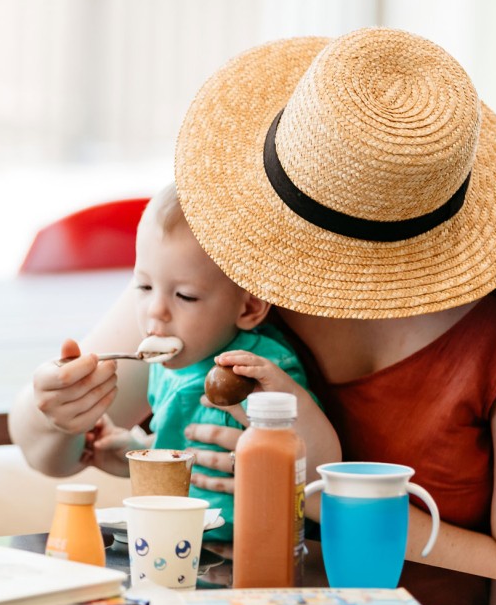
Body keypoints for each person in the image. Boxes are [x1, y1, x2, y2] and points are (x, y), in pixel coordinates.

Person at [0, 27, 496, 605]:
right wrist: (57, 413)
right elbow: (51, 448)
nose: (292, 271)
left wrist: (310, 491)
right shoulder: (235, 252)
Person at [74, 181, 340, 540]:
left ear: (248, 307)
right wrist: (131, 453)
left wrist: (294, 402)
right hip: (174, 538)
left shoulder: (260, 368)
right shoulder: (165, 370)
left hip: (257, 546)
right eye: (144, 287)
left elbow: (321, 467)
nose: (156, 310)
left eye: (185, 295)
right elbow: (184, 452)